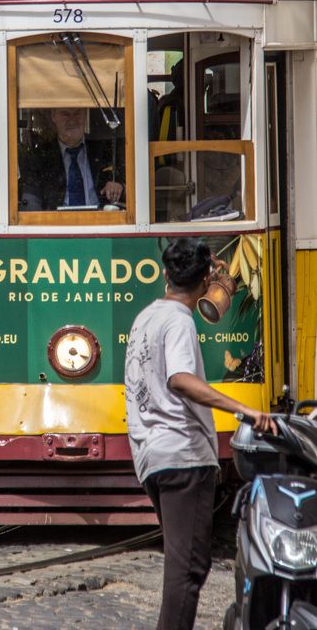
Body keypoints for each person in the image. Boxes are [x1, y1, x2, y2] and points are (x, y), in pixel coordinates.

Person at [124, 237, 276, 630]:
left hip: (152, 456)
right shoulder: (179, 321)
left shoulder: (146, 317)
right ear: (207, 279)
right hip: (183, 455)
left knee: (185, 564)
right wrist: (245, 409)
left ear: (165, 273)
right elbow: (180, 379)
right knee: (188, 569)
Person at [19, 107, 124, 211]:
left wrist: (120, 187)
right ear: (54, 116)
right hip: (55, 220)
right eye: (65, 114)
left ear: (85, 115)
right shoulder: (39, 157)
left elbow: (128, 187)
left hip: (101, 219)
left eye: (78, 113)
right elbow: (31, 202)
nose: (72, 120)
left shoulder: (105, 151)